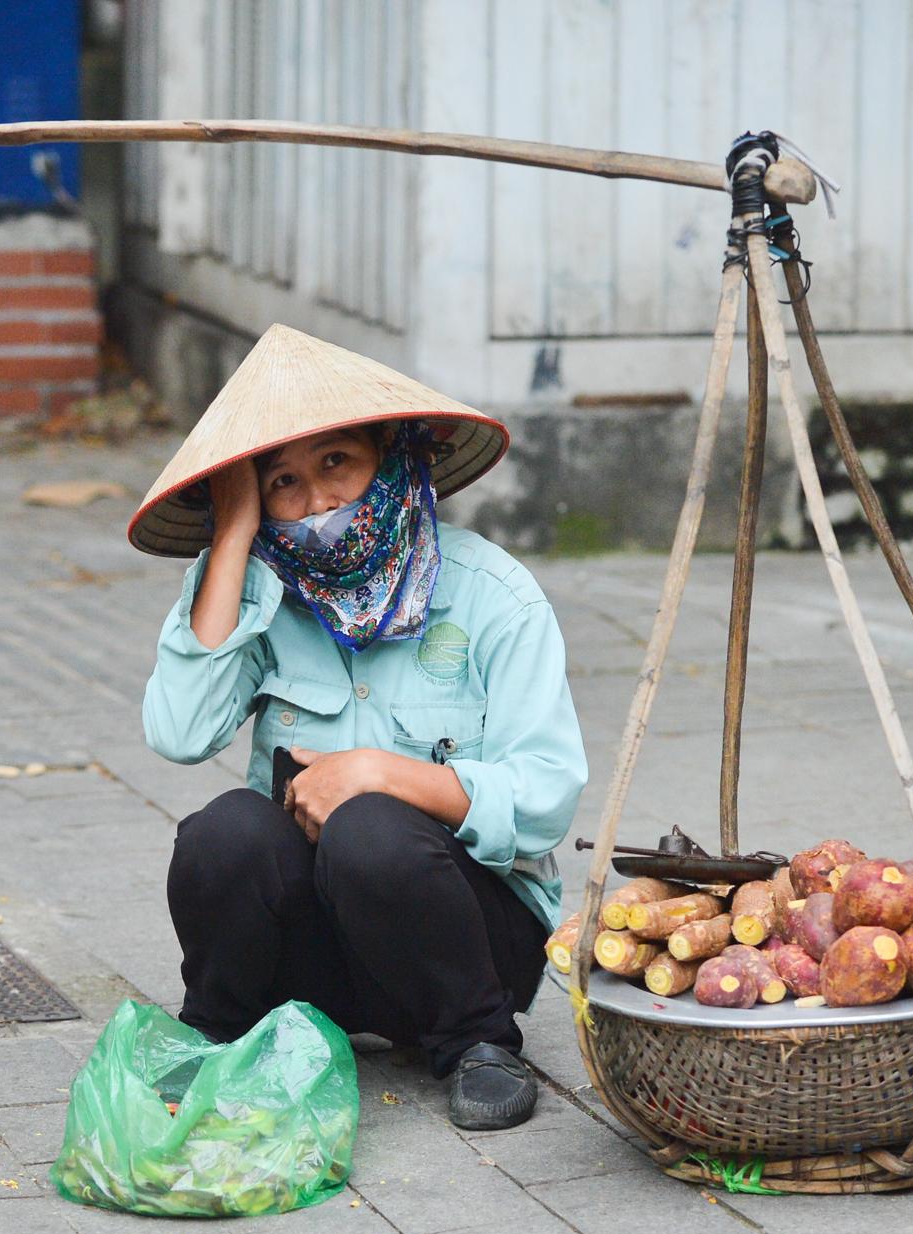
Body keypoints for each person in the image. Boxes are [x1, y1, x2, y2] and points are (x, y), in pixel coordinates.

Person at [131, 324, 587, 1131]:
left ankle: (477, 1045)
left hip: (467, 944)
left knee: (370, 826)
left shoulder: (493, 595)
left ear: (393, 454)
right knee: (223, 831)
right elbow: (178, 729)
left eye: (336, 462)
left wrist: (377, 772)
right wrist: (232, 537)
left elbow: (547, 796)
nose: (318, 503)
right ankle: (219, 1030)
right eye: (282, 483)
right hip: (313, 962)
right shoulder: (262, 593)